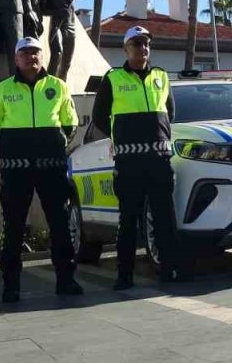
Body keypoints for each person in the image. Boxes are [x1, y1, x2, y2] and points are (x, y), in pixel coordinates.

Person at [0, 37, 83, 303]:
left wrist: (55, 147)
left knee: (60, 225)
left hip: (52, 170)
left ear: (43, 56)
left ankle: (66, 280)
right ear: (16, 59)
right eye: (25, 53)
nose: (31, 57)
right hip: (16, 172)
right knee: (13, 227)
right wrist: (11, 151)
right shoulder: (2, 90)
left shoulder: (58, 86)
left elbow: (70, 124)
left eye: (36, 52)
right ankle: (11, 286)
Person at [91, 26, 185, 288]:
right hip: (129, 163)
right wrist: (120, 136)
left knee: (164, 218)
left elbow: (169, 113)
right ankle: (125, 275)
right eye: (136, 44)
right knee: (129, 220)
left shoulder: (161, 76)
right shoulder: (113, 78)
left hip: (159, 162)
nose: (142, 48)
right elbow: (100, 116)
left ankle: (169, 270)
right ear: (125, 49)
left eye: (145, 44)